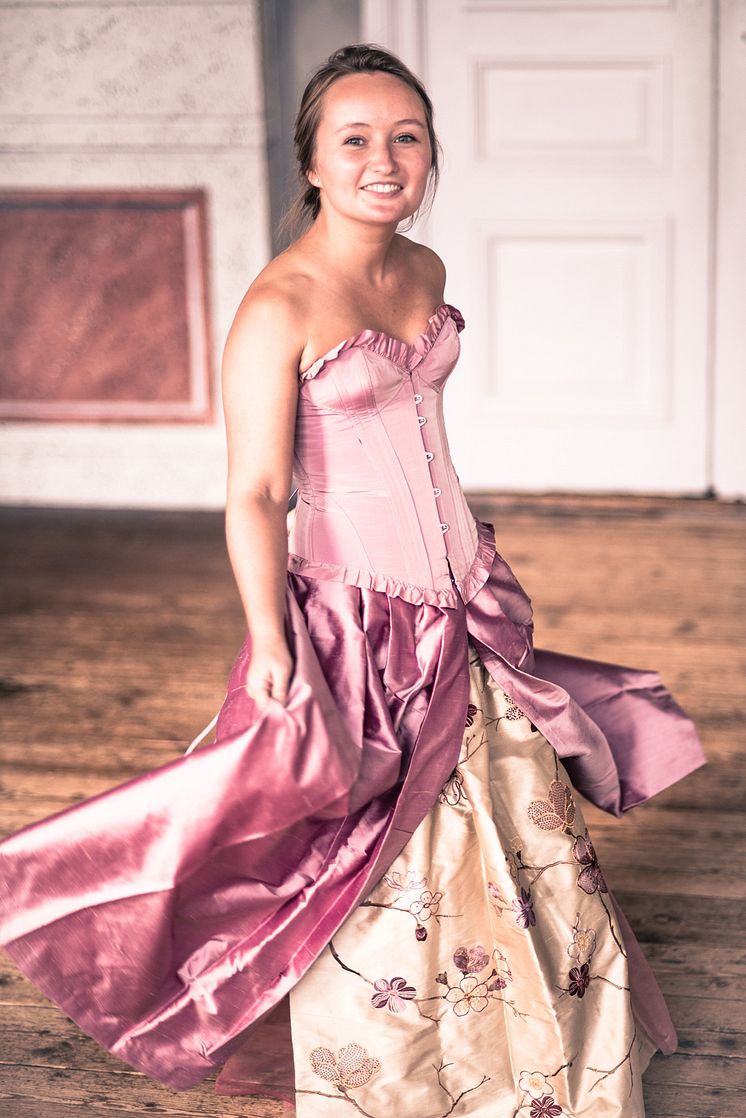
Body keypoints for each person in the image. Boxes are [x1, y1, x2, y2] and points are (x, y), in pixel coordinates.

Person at [0, 44, 705, 1118]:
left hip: (458, 598)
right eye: (356, 139)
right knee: (367, 846)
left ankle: (530, 1042)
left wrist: (475, 567)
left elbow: (422, 434)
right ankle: (395, 1073)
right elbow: (253, 492)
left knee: (511, 830)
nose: (385, 159)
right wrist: (274, 639)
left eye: (406, 137)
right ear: (314, 164)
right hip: (359, 615)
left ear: (428, 156)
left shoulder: (422, 273)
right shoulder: (277, 303)